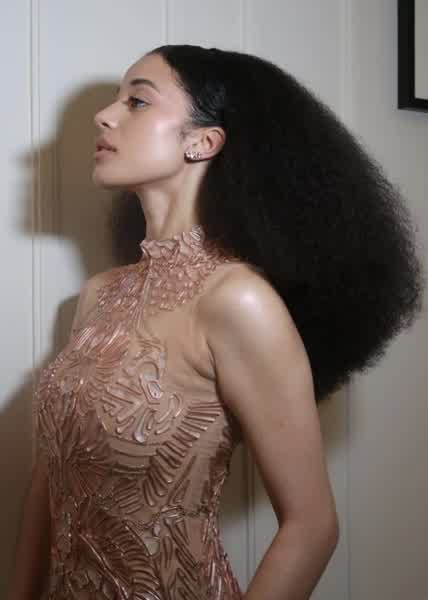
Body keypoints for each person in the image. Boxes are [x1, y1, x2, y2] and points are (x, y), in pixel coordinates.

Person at [8, 44, 425, 600]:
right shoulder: (98, 296)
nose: (104, 116)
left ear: (203, 142)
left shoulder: (237, 300)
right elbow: (51, 480)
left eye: (137, 101)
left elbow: (312, 526)